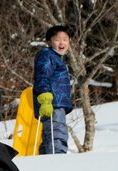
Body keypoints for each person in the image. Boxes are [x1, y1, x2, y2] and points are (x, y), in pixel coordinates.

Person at [33, 25, 73, 154]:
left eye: (65, 39)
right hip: (52, 103)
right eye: (57, 39)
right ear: (49, 42)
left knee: (49, 137)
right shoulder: (47, 55)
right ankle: (58, 162)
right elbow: (42, 76)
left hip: (56, 103)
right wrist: (45, 97)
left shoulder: (56, 58)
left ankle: (46, 164)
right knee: (57, 134)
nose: (62, 42)